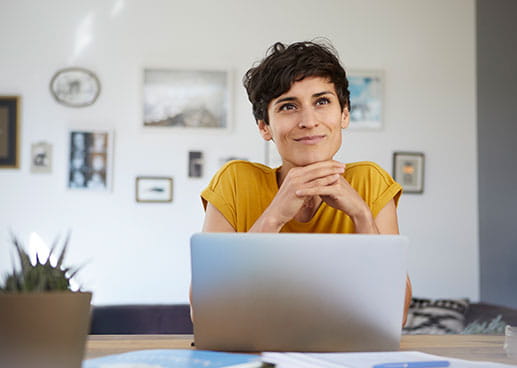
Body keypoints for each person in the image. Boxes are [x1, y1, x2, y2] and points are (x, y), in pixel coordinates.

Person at [198, 40, 411, 323]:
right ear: (264, 127)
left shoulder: (370, 181)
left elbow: (396, 314)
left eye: (322, 101)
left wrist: (361, 216)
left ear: (344, 114)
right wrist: (274, 216)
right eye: (288, 106)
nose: (309, 121)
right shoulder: (235, 182)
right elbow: (204, 309)